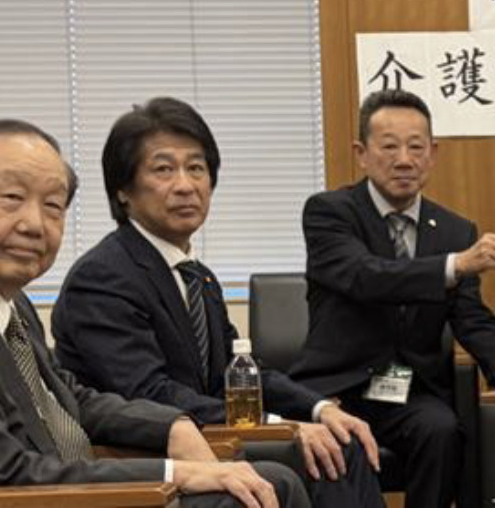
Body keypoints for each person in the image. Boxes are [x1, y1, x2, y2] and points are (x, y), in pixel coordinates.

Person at [0, 119, 305, 508]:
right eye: (12, 199)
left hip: (47, 495)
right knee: (253, 493)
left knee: (269, 478)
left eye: (53, 206)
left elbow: (68, 396)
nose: (35, 224)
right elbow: (4, 476)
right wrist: (173, 473)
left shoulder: (3, 300)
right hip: (6, 506)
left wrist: (172, 425)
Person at [52, 97, 382, 507]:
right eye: (163, 169)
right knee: (326, 456)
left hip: (208, 434)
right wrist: (280, 425)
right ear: (123, 190)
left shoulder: (198, 277)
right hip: (145, 453)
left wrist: (318, 409)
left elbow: (238, 372)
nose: (185, 185)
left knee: (340, 435)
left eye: (196, 168)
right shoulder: (103, 276)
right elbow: (150, 393)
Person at [290, 89, 495, 506]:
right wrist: (455, 265)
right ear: (361, 153)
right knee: (341, 444)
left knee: (441, 429)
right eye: (389, 146)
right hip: (337, 388)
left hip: (406, 392)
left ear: (433, 154)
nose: (404, 160)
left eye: (416, 146)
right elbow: (366, 276)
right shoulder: (330, 212)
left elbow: (470, 317)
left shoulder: (454, 230)